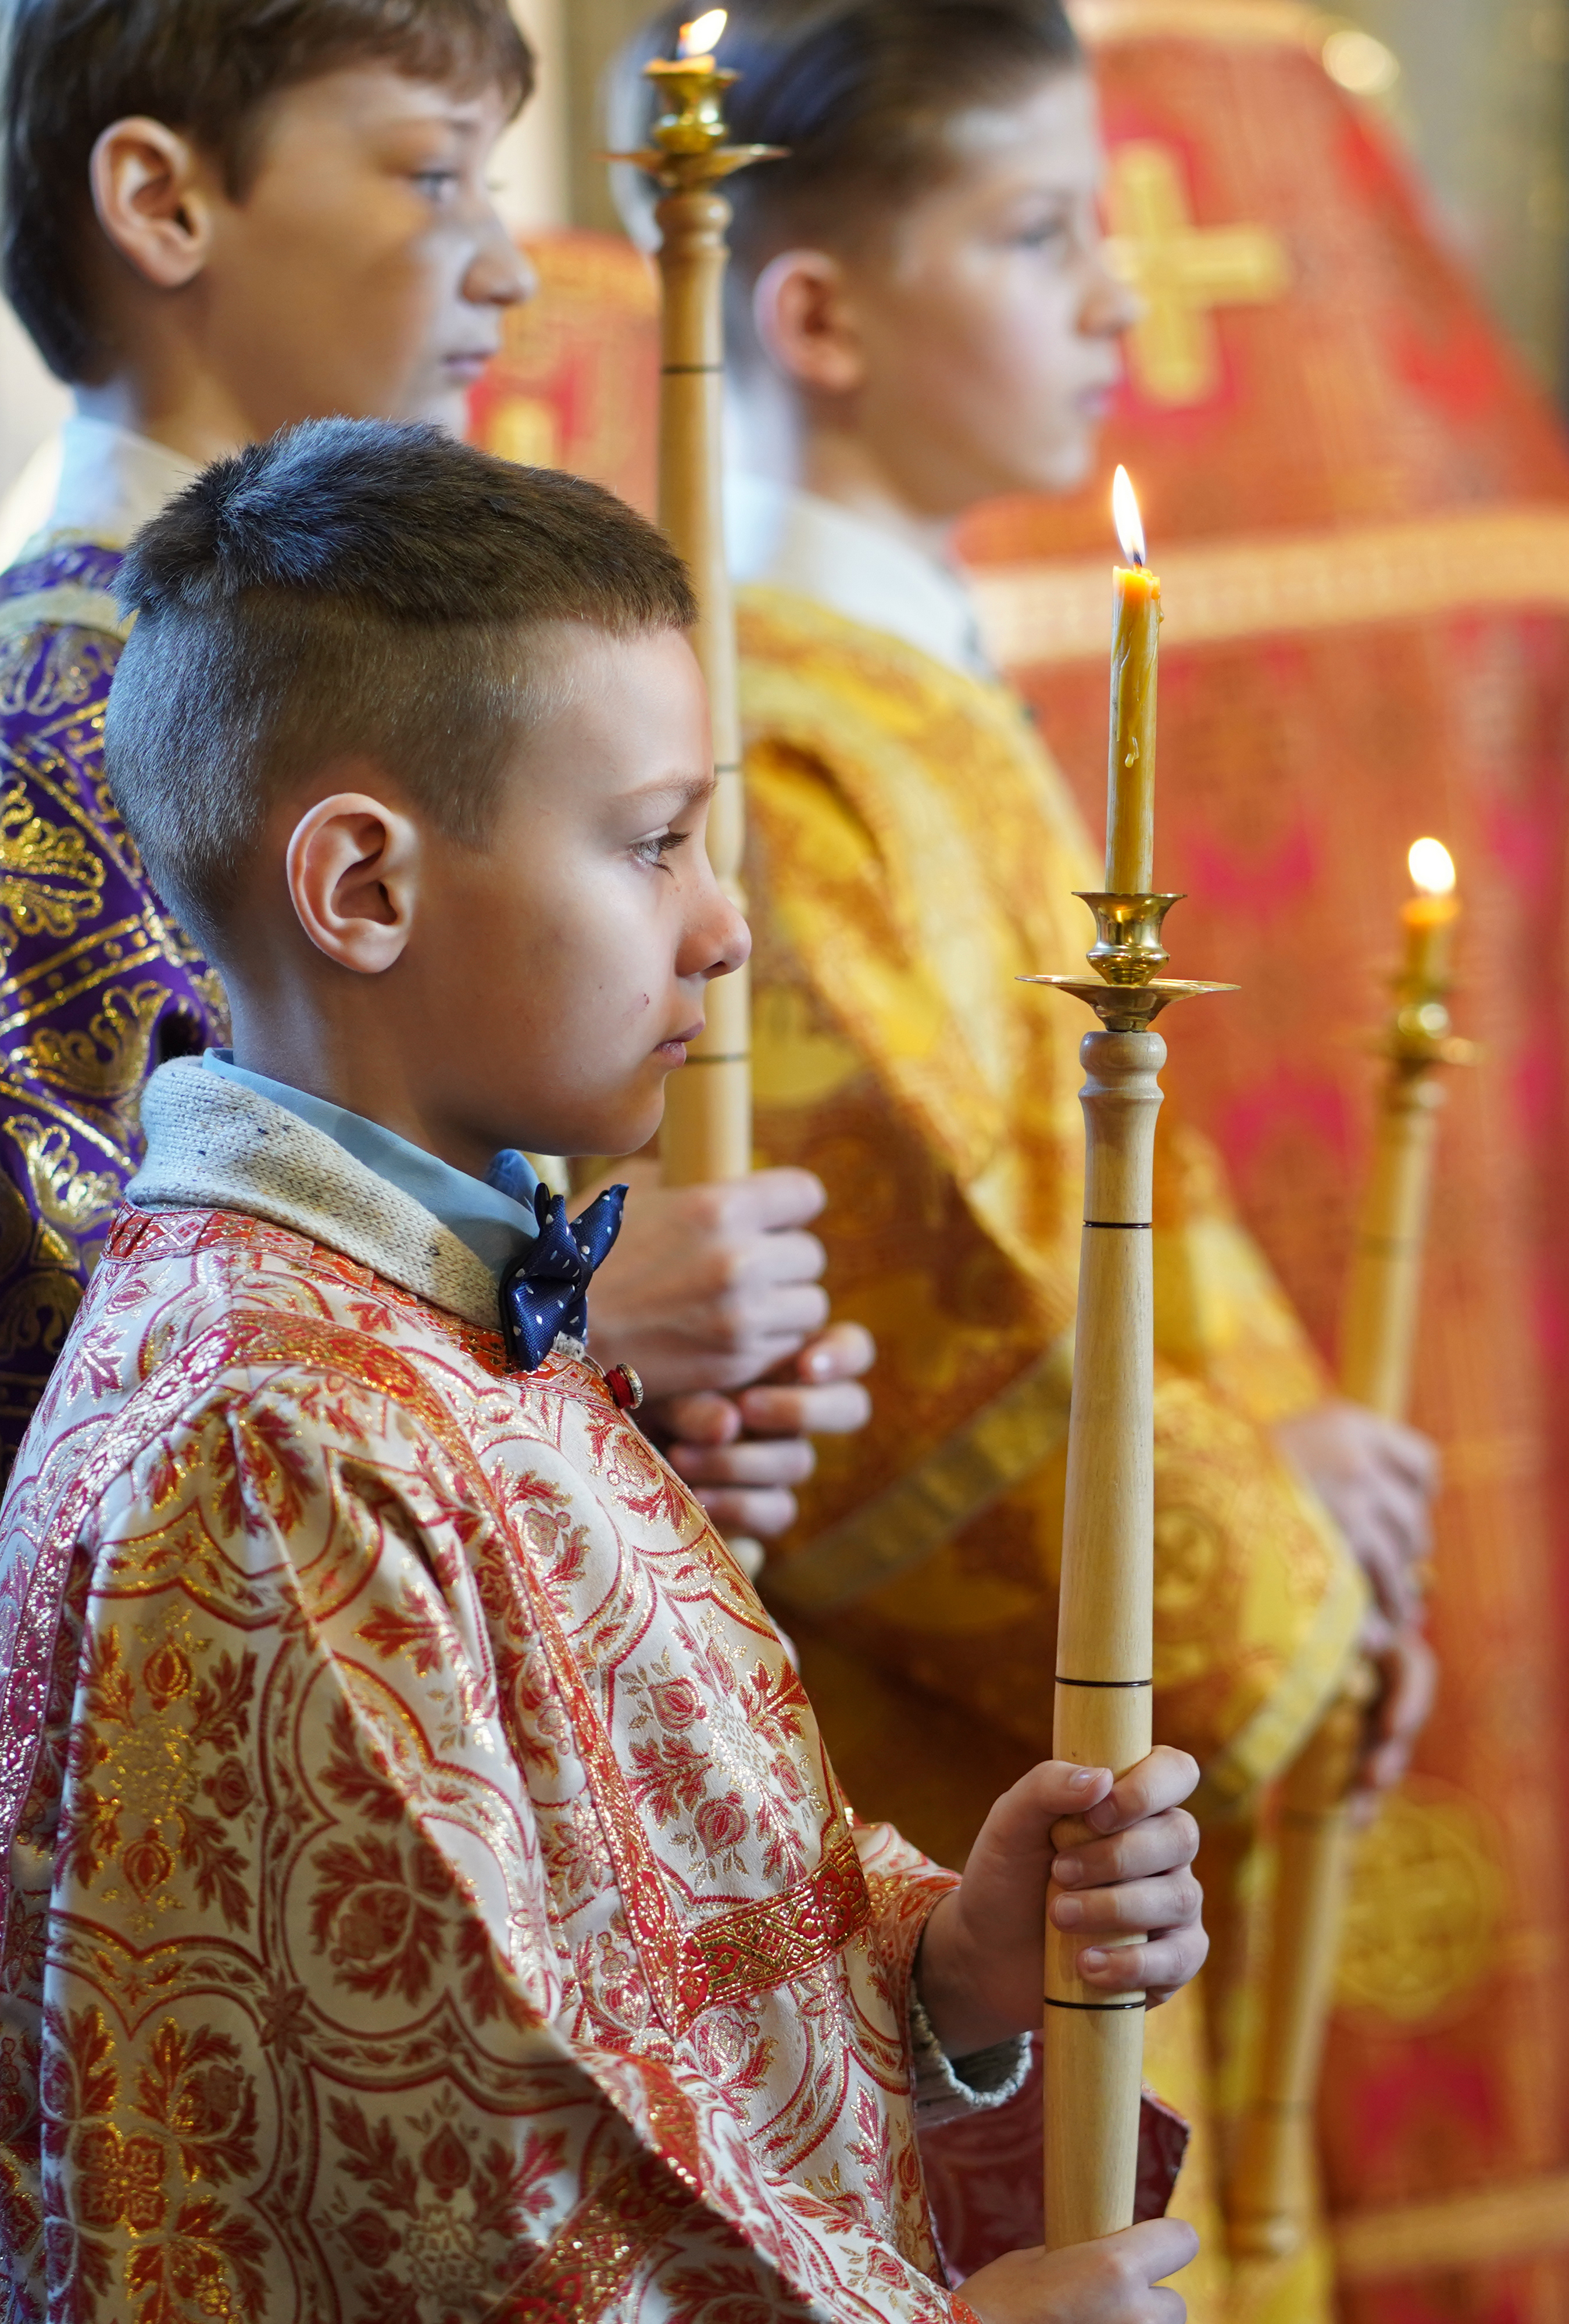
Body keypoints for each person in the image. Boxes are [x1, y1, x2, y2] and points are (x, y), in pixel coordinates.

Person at [0, 417, 1210, 2319]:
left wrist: (940, 1962)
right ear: (364, 890)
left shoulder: (432, 1314)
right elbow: (457, 2201)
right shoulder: (270, 1439)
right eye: (652, 843)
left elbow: (624, 1964)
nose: (724, 926)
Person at [609, 2, 1440, 2305]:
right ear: (819, 314)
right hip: (937, 1816)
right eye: (1038, 230)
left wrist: (1310, 1444)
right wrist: (1281, 1541)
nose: (1115, 298)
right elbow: (920, 1297)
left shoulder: (913, 680)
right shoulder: (776, 747)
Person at [0, 0, 866, 1538]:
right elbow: (107, 1423)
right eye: (429, 176)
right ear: (162, 202)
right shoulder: (50, 737)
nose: (511, 264)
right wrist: (546, 1332)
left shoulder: (385, 662)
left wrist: (602, 1428)